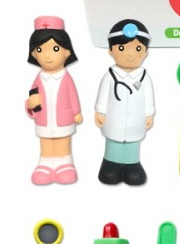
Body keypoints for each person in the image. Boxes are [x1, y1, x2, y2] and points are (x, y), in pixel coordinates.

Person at [95, 19, 155, 185]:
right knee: (113, 141)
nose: (130, 54)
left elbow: (148, 97)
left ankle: (131, 165)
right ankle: (110, 166)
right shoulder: (110, 75)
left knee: (132, 143)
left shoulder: (144, 77)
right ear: (111, 51)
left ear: (145, 52)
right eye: (121, 48)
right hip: (113, 119)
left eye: (137, 48)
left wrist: (149, 113)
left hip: (136, 121)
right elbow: (103, 94)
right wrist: (100, 111)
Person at [26, 16, 82, 185]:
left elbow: (72, 95)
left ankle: (65, 163)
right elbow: (32, 99)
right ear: (34, 53)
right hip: (44, 119)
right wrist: (30, 105)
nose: (48, 56)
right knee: (46, 141)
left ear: (67, 52)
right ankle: (45, 163)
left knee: (63, 140)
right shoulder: (38, 79)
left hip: (64, 119)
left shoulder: (66, 78)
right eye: (41, 50)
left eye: (55, 49)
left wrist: (76, 112)